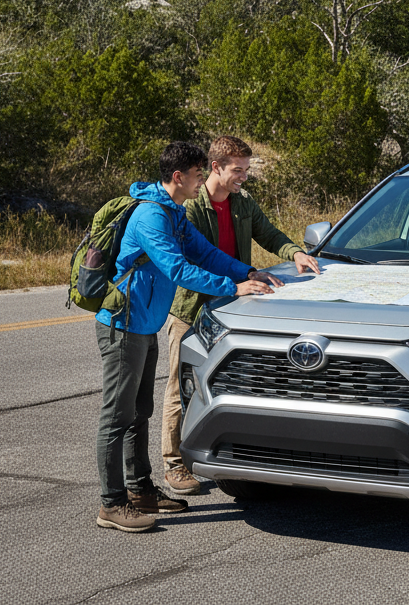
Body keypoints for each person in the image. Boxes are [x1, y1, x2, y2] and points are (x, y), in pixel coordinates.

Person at [95, 141, 281, 532]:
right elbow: (178, 269)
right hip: (122, 327)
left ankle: (140, 491)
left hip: (144, 325)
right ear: (178, 177)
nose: (201, 181)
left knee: (139, 413)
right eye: (198, 175)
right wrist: (232, 288)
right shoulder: (151, 216)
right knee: (117, 417)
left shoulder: (174, 212)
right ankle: (111, 504)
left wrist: (246, 273)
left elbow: (206, 253)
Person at [161, 135, 321, 494]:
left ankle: (234, 453)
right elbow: (193, 261)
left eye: (246, 170)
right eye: (238, 170)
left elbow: (269, 234)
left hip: (235, 311)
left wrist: (295, 252)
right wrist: (236, 283)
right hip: (192, 311)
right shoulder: (191, 207)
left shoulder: (243, 201)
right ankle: (174, 464)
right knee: (181, 387)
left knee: (233, 385)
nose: (244, 177)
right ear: (215, 167)